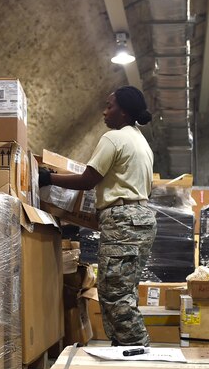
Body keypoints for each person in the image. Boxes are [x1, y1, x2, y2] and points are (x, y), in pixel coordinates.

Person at [38, 86, 155, 346]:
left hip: (123, 221)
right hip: (141, 218)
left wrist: (48, 178)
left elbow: (88, 180)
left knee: (114, 291)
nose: (104, 112)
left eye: (109, 106)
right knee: (123, 289)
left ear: (124, 112)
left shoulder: (114, 138)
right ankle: (124, 346)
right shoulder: (141, 142)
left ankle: (137, 347)